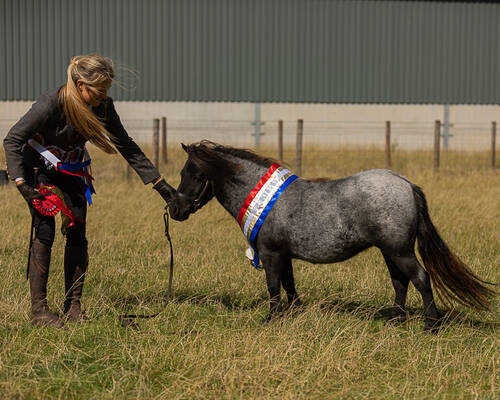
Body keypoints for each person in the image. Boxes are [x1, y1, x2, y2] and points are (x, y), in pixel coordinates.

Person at [3, 54, 176, 328]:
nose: (103, 97)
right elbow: (12, 139)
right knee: (45, 230)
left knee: (77, 232)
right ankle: (39, 311)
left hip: (71, 169)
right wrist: (22, 184)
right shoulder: (51, 103)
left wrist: (159, 184)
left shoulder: (103, 107)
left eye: (106, 91)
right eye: (99, 91)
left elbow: (126, 145)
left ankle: (72, 305)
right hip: (38, 170)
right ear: (81, 84)